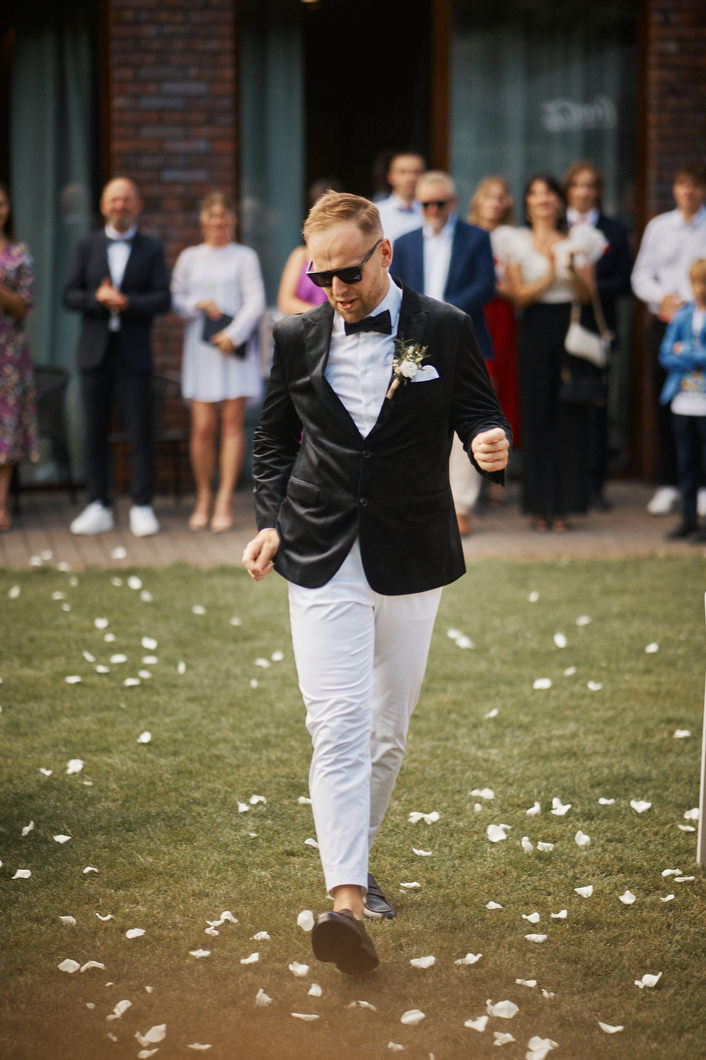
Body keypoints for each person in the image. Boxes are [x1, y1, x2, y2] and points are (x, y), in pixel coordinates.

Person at [242, 191, 510, 976]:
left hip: (412, 552)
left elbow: (479, 413)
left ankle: (357, 863)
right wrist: (269, 521)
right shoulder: (294, 336)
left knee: (387, 733)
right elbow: (273, 440)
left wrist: (489, 443)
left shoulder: (444, 327)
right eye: (320, 276)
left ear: (384, 253)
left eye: (348, 273)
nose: (335, 289)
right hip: (318, 550)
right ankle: (347, 906)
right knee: (338, 725)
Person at [64, 177, 170, 537]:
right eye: (114, 200)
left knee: (141, 430)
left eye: (126, 199)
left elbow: (163, 299)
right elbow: (69, 295)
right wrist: (97, 299)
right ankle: (99, 504)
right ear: (103, 205)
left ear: (137, 205)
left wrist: (127, 303)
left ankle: (142, 505)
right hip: (94, 353)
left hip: (134, 353)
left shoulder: (152, 247)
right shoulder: (87, 245)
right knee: (94, 431)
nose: (120, 205)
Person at [392, 171, 496, 535]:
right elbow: (395, 289)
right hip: (415, 342)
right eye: (426, 204)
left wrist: (443, 314)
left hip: (465, 338)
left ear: (453, 203)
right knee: (414, 417)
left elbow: (485, 285)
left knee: (467, 416)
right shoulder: (403, 243)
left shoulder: (477, 237)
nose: (433, 210)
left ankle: (461, 506)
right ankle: (419, 500)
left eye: (439, 203)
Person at [504, 173, 607, 531]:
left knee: (569, 414)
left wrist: (572, 271)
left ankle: (564, 505)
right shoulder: (515, 241)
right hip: (534, 328)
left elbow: (587, 296)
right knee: (536, 415)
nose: (543, 199)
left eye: (548, 193)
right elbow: (519, 297)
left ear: (559, 201)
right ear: (527, 203)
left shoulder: (579, 240)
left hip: (570, 329)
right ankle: (538, 505)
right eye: (535, 193)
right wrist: (550, 272)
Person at [171, 191, 265, 532]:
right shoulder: (189, 257)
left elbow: (255, 302)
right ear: (202, 221)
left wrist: (234, 335)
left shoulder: (244, 256)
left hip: (233, 350)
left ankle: (225, 498)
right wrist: (196, 303)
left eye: (223, 216)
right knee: (202, 428)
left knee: (231, 425)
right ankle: (204, 496)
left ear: (233, 220)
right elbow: (176, 299)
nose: (217, 222)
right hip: (202, 352)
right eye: (211, 216)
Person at [631, 161, 706, 516]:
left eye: (695, 184)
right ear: (675, 188)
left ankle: (702, 486)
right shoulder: (659, 227)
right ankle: (670, 482)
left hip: (702, 322)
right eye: (683, 184)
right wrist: (663, 298)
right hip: (668, 323)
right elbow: (641, 277)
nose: (688, 191)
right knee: (666, 401)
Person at [563, 160, 633, 509]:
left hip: (597, 328)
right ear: (568, 190)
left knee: (596, 406)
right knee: (561, 404)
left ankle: (594, 485)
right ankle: (564, 484)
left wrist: (592, 285)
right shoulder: (556, 227)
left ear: (598, 192)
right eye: (578, 185)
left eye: (590, 186)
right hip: (559, 326)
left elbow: (624, 282)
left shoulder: (614, 230)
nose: (584, 192)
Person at [468, 175, 521, 450]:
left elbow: (517, 288)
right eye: (489, 196)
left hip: (500, 316)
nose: (495, 203)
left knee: (501, 381)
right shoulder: (464, 233)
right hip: (471, 312)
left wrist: (487, 283)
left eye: (500, 198)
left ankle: (500, 453)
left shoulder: (512, 239)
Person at [658, 258, 706, 541]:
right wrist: (693, 356)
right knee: (686, 463)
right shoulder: (683, 316)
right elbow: (665, 353)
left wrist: (685, 351)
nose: (700, 288)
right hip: (683, 401)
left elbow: (681, 352)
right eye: (696, 282)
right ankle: (688, 519)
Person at [0, 183, 38, 532]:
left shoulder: (18, 254)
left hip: (7, 355)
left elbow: (24, 307)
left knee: (6, 427)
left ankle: (0, 506)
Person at [277, 180, 342, 317]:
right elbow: (285, 302)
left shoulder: (346, 255)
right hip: (309, 323)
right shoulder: (300, 255)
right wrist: (324, 316)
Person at [376, 152, 425, 242]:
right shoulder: (376, 213)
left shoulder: (433, 211)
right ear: (390, 177)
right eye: (403, 172)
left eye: (416, 172)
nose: (410, 178)